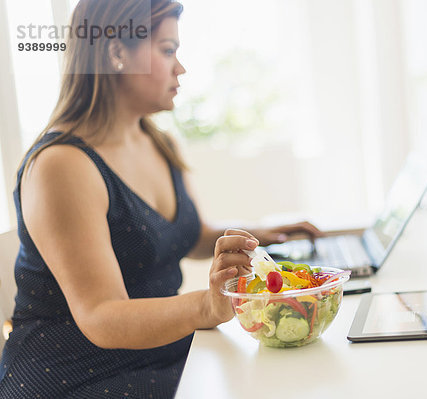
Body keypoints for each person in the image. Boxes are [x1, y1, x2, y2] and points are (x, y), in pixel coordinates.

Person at [0, 0, 321, 397]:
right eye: (168, 50)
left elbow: (185, 233)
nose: (180, 67)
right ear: (117, 53)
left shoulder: (157, 141)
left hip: (162, 353)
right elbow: (101, 316)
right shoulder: (61, 166)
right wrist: (207, 305)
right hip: (78, 375)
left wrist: (259, 236)